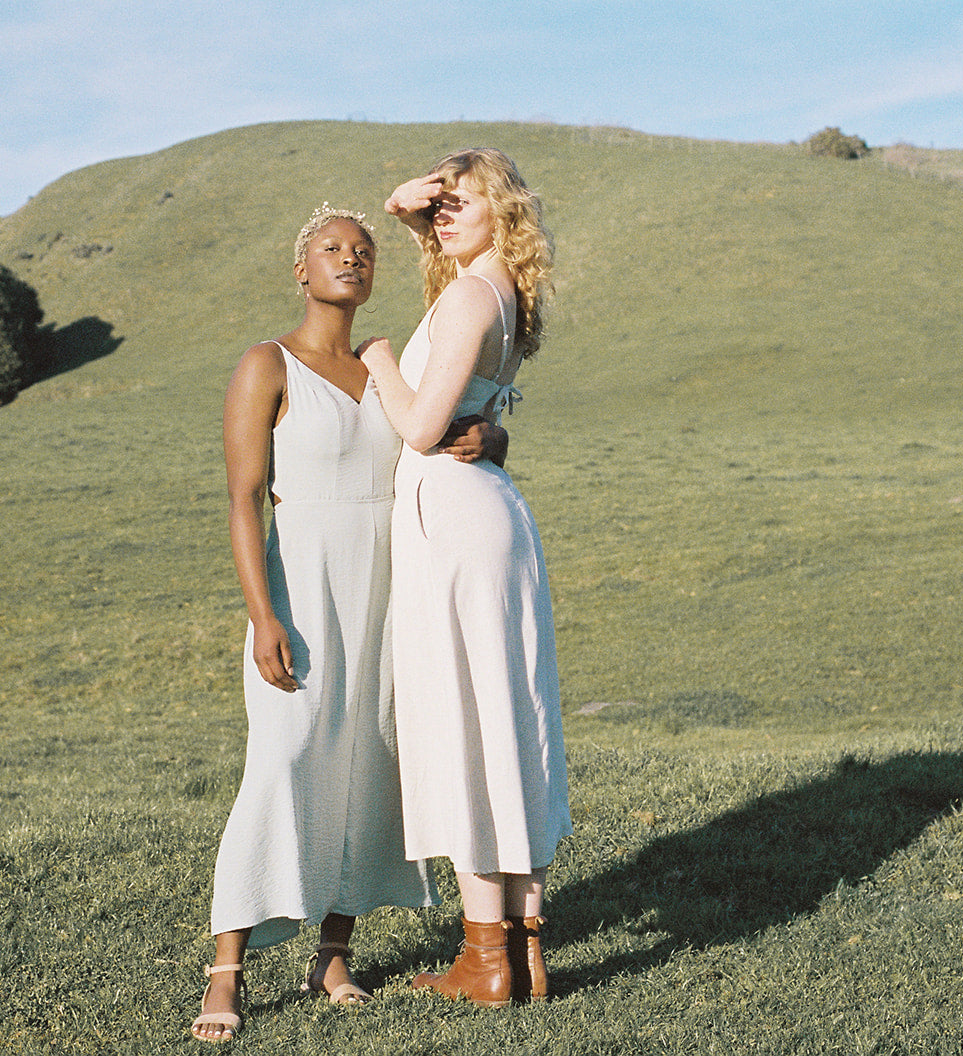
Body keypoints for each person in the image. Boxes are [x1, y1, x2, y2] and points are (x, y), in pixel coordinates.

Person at [192, 204, 507, 1043]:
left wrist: (492, 433)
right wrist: (262, 616)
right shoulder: (268, 365)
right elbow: (241, 502)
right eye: (332, 249)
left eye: (363, 252)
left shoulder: (385, 367)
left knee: (373, 759)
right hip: (301, 588)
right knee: (285, 758)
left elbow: (438, 428)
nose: (349, 259)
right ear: (302, 269)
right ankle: (227, 971)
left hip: (388, 586)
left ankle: (333, 953)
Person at [357, 148, 572, 1007]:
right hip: (486, 512)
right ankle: (520, 951)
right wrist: (413, 204)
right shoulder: (501, 290)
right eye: (438, 205)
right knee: (505, 718)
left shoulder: (469, 298)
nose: (443, 216)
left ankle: (486, 962)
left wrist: (376, 357)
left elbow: (419, 426)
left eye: (462, 202)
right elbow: (448, 248)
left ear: (504, 212)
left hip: (451, 516)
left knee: (463, 723)